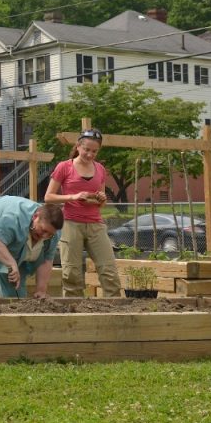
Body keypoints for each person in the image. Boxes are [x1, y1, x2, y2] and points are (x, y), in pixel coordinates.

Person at [44, 127, 121, 297]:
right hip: (71, 223)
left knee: (108, 270)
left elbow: (101, 204)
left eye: (94, 151)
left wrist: (101, 199)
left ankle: (116, 309)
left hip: (95, 224)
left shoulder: (100, 169)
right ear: (78, 146)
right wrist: (74, 196)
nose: (90, 154)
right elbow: (48, 197)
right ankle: (74, 310)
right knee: (71, 273)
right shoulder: (64, 167)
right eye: (86, 149)